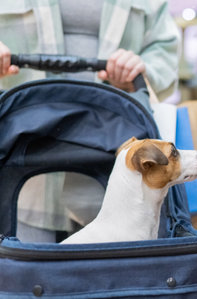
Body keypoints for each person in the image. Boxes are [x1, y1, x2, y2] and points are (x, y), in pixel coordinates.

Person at [0, 0, 180, 242]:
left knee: (111, 275)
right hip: (24, 177)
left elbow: (164, 50)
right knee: (24, 271)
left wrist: (142, 67)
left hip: (116, 175)